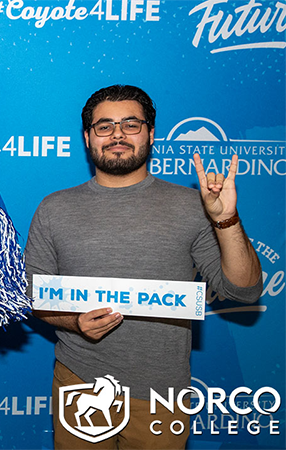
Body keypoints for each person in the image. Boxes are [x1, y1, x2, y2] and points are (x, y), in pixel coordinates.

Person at [25, 84, 262, 449]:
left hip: (162, 394)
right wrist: (73, 322)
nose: (117, 134)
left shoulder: (191, 206)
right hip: (79, 382)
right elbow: (31, 296)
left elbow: (243, 290)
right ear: (88, 138)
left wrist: (226, 220)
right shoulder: (54, 208)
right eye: (104, 126)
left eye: (130, 124)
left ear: (151, 133)